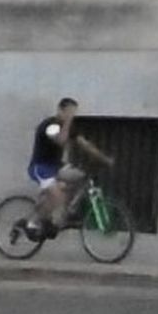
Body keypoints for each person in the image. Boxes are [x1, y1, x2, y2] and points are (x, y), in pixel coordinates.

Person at [26, 98, 112, 238]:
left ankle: (68, 211)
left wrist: (104, 158)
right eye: (69, 111)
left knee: (81, 176)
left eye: (73, 112)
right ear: (60, 110)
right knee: (59, 196)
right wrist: (67, 122)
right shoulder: (50, 125)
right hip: (41, 167)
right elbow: (61, 141)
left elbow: (85, 145)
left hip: (56, 167)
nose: (71, 115)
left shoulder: (68, 127)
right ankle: (33, 223)